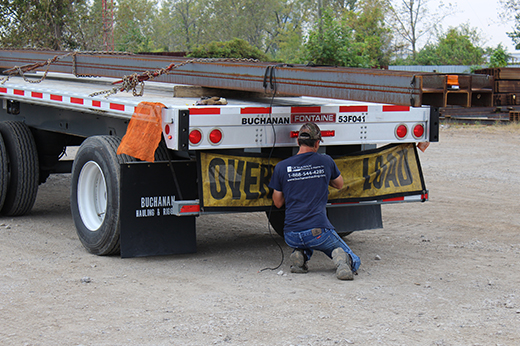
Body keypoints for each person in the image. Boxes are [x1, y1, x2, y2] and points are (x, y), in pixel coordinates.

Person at [268, 122, 360, 280]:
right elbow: (339, 184)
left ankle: (300, 256)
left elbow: (277, 203)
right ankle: (342, 259)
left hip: (291, 234)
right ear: (317, 143)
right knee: (353, 260)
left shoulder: (282, 167)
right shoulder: (326, 161)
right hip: (318, 233)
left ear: (298, 142)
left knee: (305, 240)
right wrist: (322, 177)